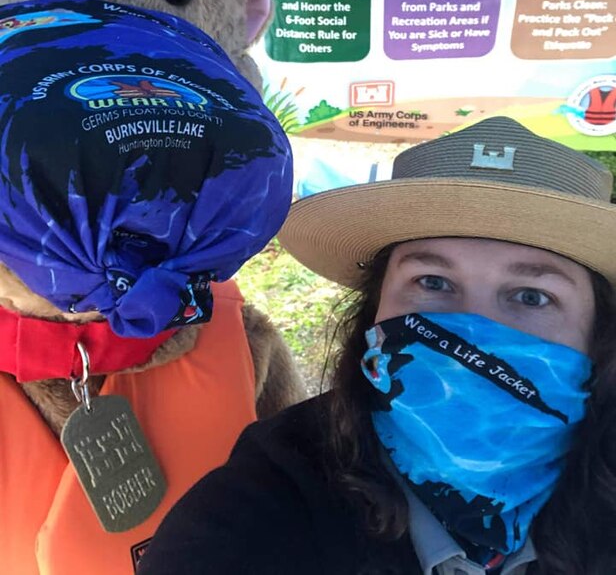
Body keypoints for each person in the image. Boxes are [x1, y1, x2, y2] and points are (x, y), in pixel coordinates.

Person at [139, 117, 616, 575]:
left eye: (532, 297)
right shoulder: (259, 507)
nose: (472, 330)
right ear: (374, 312)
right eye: (432, 281)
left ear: (598, 335)